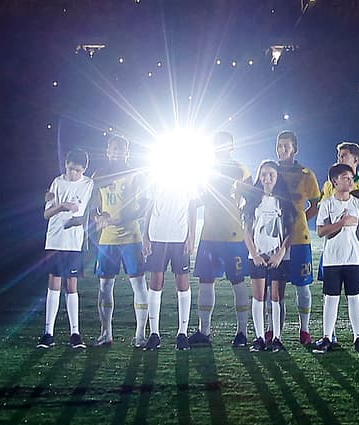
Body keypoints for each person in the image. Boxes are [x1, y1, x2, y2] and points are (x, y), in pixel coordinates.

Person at [320, 142, 359, 346]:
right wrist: (339, 226)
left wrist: (356, 233)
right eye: (338, 155)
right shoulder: (329, 186)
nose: (339, 158)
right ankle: (329, 335)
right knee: (330, 293)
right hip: (333, 251)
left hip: (357, 250)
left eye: (343, 155)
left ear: (355, 160)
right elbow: (324, 221)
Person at [192, 131, 253, 347]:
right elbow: (197, 197)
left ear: (232, 146)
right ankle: (204, 331)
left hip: (233, 236)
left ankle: (242, 332)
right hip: (209, 234)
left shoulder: (240, 169)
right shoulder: (205, 169)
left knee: (238, 282)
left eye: (225, 144)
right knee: (205, 282)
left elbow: (252, 197)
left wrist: (244, 215)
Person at [88, 134, 146, 347]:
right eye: (113, 149)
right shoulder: (99, 175)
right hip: (107, 239)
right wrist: (97, 217)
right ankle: (106, 333)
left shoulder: (135, 174)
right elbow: (93, 205)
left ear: (127, 152)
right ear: (107, 151)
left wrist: (121, 219)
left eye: (120, 149)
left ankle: (140, 335)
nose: (116, 153)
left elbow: (144, 206)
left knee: (138, 284)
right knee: (104, 285)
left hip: (131, 237)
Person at [313, 163, 359, 354]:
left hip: (354, 259)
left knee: (354, 297)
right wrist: (342, 223)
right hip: (332, 259)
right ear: (335, 181)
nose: (350, 181)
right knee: (331, 299)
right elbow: (320, 231)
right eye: (346, 178)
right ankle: (327, 338)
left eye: (351, 178)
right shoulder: (327, 204)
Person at [142, 152, 199, 351]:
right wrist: (145, 236)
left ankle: (182, 333)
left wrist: (191, 235)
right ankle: (154, 333)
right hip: (157, 236)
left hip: (179, 236)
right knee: (156, 281)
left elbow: (193, 208)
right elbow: (148, 207)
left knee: (182, 283)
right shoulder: (155, 178)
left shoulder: (189, 179)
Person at [38, 147, 94, 349]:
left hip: (74, 242)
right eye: (70, 169)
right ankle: (48, 333)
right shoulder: (57, 182)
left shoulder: (88, 184)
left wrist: (79, 218)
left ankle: (75, 333)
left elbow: (85, 211)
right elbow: (46, 214)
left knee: (72, 286)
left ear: (84, 169)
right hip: (55, 240)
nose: (73, 173)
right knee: (54, 284)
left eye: (77, 170)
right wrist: (62, 207)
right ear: (65, 165)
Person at [241, 160, 296, 352]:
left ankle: (277, 338)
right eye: (263, 174)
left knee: (276, 297)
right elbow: (247, 231)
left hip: (278, 257)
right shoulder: (252, 200)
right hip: (257, 256)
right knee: (258, 297)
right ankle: (259, 338)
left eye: (271, 174)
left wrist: (280, 254)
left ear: (277, 177)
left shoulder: (284, 201)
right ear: (259, 177)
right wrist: (254, 254)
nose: (267, 178)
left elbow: (290, 231)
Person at [274, 130, 322, 345]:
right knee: (276, 287)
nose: (282, 149)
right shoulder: (271, 171)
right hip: (275, 239)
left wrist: (300, 219)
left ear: (295, 149)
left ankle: (304, 330)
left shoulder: (306, 174)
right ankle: (274, 331)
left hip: (299, 239)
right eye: (279, 145)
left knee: (302, 285)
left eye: (286, 146)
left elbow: (316, 205)